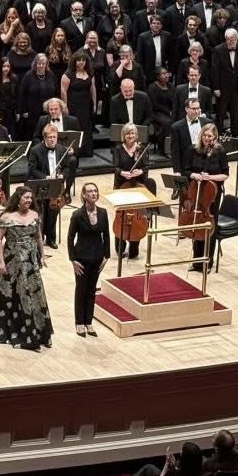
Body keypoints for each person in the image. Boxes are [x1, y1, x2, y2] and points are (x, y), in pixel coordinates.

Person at [0, 186, 53, 351]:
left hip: (30, 261)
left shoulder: (35, 215)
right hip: (12, 261)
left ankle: (38, 332)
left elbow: (38, 237)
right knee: (15, 294)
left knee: (34, 295)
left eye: (30, 198)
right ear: (17, 199)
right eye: (25, 198)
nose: (28, 201)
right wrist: (0, 261)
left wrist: (42, 255)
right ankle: (21, 334)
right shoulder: (6, 217)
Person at [66, 182, 111, 338]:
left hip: (97, 257)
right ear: (84, 195)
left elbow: (106, 235)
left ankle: (88, 321)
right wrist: (73, 260)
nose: (93, 193)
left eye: (95, 191)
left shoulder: (103, 213)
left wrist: (107, 256)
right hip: (82, 258)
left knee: (92, 290)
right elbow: (70, 237)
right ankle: (79, 322)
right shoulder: (78, 215)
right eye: (90, 191)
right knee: (81, 290)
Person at [183, 123, 228, 272]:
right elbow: (186, 169)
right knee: (196, 222)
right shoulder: (193, 150)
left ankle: (207, 262)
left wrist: (211, 177)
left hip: (212, 195)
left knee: (209, 226)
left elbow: (225, 174)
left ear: (215, 137)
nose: (207, 138)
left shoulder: (219, 152)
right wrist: (193, 174)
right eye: (204, 135)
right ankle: (196, 262)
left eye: (210, 136)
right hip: (195, 192)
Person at [27, 123, 74, 248]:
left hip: (56, 184)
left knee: (54, 211)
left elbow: (67, 167)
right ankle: (39, 237)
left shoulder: (62, 150)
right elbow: (32, 170)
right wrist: (45, 177)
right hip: (42, 184)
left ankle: (51, 238)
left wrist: (62, 176)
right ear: (44, 138)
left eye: (54, 137)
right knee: (41, 212)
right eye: (50, 137)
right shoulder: (35, 150)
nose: (52, 139)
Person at [112, 123, 147, 261]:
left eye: (133, 134)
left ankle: (134, 249)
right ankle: (119, 248)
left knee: (136, 216)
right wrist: (123, 173)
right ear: (124, 136)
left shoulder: (141, 149)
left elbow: (147, 167)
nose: (131, 136)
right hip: (122, 185)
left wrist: (141, 171)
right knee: (121, 216)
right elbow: (115, 167)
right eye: (128, 134)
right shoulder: (118, 149)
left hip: (137, 185)